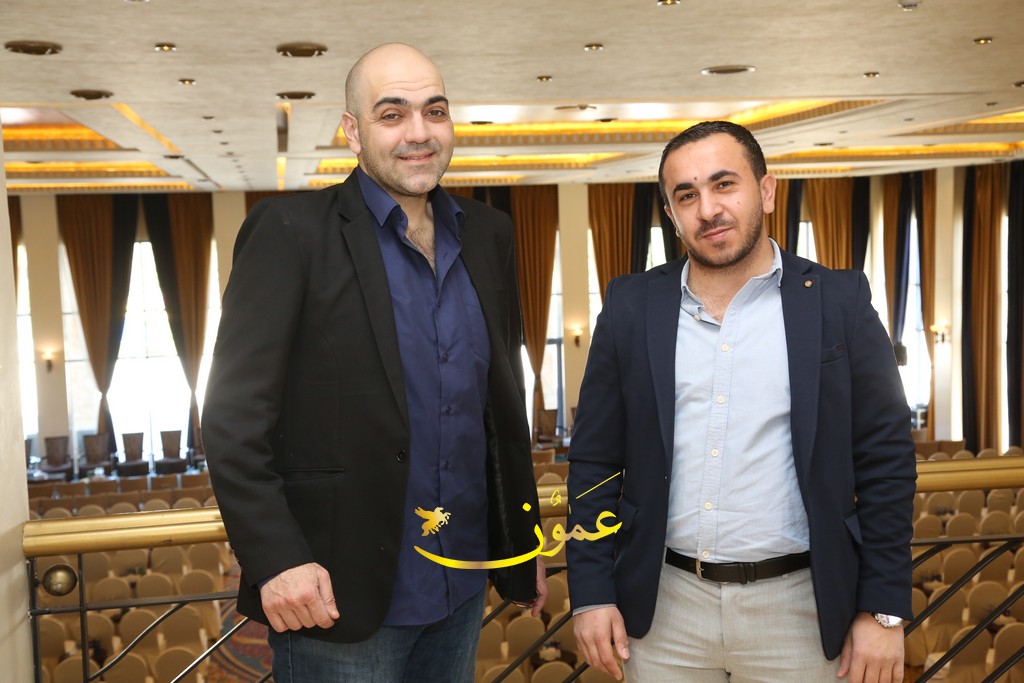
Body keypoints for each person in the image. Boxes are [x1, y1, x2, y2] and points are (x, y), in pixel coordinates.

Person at [202, 42, 546, 683]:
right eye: (392, 114)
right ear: (352, 131)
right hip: (336, 593)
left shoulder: (489, 233)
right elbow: (230, 418)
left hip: (462, 582)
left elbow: (499, 406)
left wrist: (521, 542)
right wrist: (277, 559)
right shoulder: (289, 232)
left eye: (435, 111)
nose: (419, 133)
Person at [566, 120, 916, 683]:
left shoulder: (839, 302)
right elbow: (594, 463)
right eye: (687, 195)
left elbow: (887, 461)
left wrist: (883, 609)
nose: (708, 209)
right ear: (672, 213)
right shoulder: (631, 306)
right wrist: (590, 592)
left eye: (724, 184)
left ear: (767, 191)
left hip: (802, 610)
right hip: (663, 610)